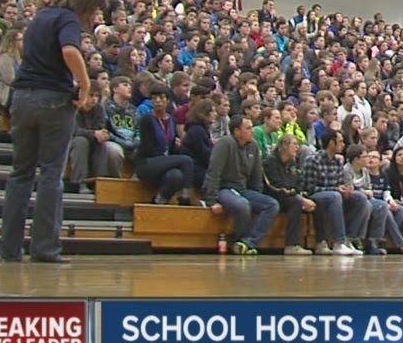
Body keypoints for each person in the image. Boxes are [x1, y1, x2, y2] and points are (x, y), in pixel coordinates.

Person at [0, 0, 105, 263]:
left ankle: (9, 249)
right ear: (87, 5)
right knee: (50, 175)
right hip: (53, 100)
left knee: (20, 174)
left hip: (22, 97)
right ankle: (44, 248)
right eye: (94, 11)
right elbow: (69, 51)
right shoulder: (68, 19)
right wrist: (84, 85)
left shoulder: (41, 16)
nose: (94, 18)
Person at [203, 115, 279, 256]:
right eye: (248, 128)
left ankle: (248, 243)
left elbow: (256, 176)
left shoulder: (253, 146)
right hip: (224, 189)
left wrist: (257, 195)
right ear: (237, 131)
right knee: (242, 205)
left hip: (243, 189)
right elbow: (214, 172)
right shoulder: (225, 144)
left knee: (272, 204)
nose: (252, 131)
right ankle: (239, 240)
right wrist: (211, 200)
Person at [302, 128, 364, 256]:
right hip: (316, 196)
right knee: (334, 196)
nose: (343, 144)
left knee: (360, 198)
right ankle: (338, 242)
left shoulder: (337, 161)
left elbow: (339, 183)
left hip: (335, 195)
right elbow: (309, 188)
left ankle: (349, 239)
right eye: (340, 142)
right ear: (331, 143)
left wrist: (346, 189)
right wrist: (336, 190)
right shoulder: (313, 160)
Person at [135, 83, 196, 205]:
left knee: (176, 175)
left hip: (165, 162)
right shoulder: (146, 120)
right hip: (147, 163)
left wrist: (175, 149)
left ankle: (158, 201)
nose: (158, 101)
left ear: (168, 100)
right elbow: (147, 148)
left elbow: (172, 147)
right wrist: (170, 160)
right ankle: (185, 197)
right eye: (154, 98)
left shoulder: (171, 120)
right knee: (186, 160)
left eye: (161, 97)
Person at [262, 137, 315, 255]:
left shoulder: (292, 163)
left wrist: (302, 196)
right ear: (284, 146)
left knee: (315, 200)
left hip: (288, 196)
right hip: (272, 196)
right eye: (295, 144)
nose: (298, 148)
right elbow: (275, 187)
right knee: (296, 202)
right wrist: (300, 198)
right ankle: (292, 244)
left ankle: (322, 242)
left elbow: (298, 184)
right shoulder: (270, 162)